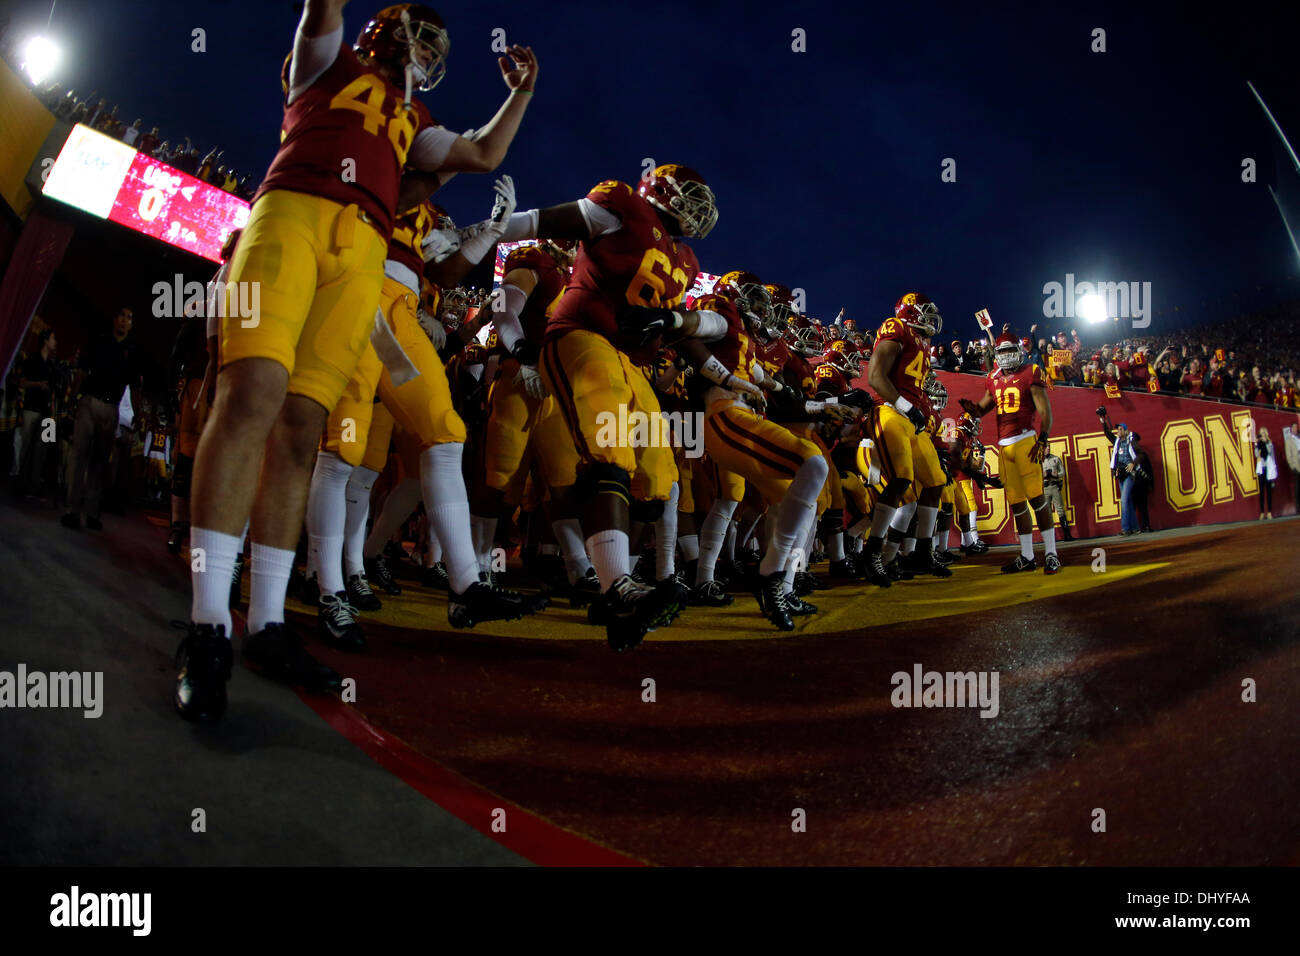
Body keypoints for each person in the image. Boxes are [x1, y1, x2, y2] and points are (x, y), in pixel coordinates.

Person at [173, 0, 540, 722]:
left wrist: (521, 92)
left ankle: (270, 621)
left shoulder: (418, 120)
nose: (424, 48)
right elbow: (322, 12)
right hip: (292, 213)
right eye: (417, 33)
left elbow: (484, 155)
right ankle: (208, 623)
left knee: (304, 425)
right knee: (251, 396)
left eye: (434, 41)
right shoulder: (330, 60)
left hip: (366, 246)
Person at [960, 333, 1059, 573]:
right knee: (1017, 504)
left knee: (1037, 498)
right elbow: (983, 408)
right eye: (1001, 351)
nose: (1004, 355)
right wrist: (972, 410)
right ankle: (1027, 556)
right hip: (1004, 446)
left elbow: (1045, 411)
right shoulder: (993, 378)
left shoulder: (1030, 372)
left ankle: (1051, 554)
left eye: (1008, 350)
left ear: (1018, 350)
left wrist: (1043, 439)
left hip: (1026, 441)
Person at [62, 308, 141, 530]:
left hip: (111, 407)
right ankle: (72, 510)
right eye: (122, 316)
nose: (125, 321)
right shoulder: (99, 341)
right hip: (90, 401)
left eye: (129, 318)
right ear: (115, 319)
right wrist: (73, 399)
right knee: (78, 456)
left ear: (131, 324)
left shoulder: (132, 351)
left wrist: (137, 413)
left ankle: (92, 513)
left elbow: (135, 386)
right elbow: (82, 372)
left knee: (99, 461)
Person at [1098, 407, 1141, 535]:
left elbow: (1140, 454)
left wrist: (1134, 463)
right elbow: (1107, 433)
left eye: (1121, 429)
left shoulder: (1131, 441)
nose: (1118, 431)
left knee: (1123, 500)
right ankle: (1135, 528)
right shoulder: (1116, 442)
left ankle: (1125, 528)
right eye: (1118, 429)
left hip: (1130, 474)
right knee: (1127, 501)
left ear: (1126, 431)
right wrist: (1102, 420)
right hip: (1121, 473)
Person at [1040, 445, 1071, 541]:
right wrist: (1042, 475)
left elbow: (1063, 472)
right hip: (1045, 488)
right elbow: (1033, 476)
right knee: (1047, 513)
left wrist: (1057, 474)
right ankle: (1050, 538)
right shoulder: (1038, 461)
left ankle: (1067, 535)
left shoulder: (1055, 459)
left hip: (1054, 486)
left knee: (1060, 510)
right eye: (1046, 447)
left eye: (1049, 446)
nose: (1048, 448)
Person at [1255, 427, 1277, 519]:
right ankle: (1261, 512)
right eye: (1261, 433)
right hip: (1262, 468)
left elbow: (1270, 452)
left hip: (1268, 468)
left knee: (1268, 491)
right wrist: (1257, 444)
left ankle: (1269, 512)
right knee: (1261, 491)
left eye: (1263, 433)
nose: (1262, 434)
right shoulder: (1258, 444)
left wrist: (1266, 442)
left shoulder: (1269, 443)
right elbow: (1256, 455)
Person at [1283, 423, 1300, 514]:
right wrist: (1292, 466)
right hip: (1296, 466)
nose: (1295, 429)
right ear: (1291, 429)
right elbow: (1288, 455)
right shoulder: (1289, 441)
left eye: (1296, 427)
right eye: (1294, 427)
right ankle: (1298, 508)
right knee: (1297, 488)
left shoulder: (1299, 438)